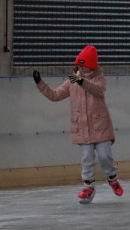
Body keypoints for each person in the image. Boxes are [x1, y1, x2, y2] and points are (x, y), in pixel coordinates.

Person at [33, 45, 123, 204]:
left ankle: (112, 178)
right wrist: (40, 83)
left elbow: (98, 90)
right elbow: (55, 95)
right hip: (82, 129)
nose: (81, 67)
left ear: (91, 65)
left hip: (100, 127)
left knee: (104, 155)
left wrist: (82, 81)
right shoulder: (71, 81)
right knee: (86, 159)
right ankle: (89, 188)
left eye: (84, 64)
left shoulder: (99, 78)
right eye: (79, 64)